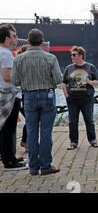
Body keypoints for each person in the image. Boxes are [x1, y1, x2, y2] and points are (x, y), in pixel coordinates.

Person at [12, 28, 63, 175]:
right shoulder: (51, 58)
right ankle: (46, 166)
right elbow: (59, 79)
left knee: (32, 131)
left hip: (29, 96)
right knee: (46, 132)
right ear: (42, 42)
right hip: (47, 95)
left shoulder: (19, 59)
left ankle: (33, 167)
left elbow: (15, 80)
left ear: (28, 41)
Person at [0, 23, 27, 171]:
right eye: (14, 36)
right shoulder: (5, 53)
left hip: (3, 95)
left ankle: (9, 158)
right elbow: (7, 76)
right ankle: (10, 162)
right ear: (6, 38)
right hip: (9, 96)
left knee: (5, 128)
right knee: (9, 129)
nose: (16, 38)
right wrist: (24, 78)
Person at [62, 46, 98, 150]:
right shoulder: (69, 68)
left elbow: (97, 82)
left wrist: (89, 82)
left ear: (81, 55)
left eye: (74, 55)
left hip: (87, 99)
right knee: (72, 121)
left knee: (89, 120)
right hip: (72, 100)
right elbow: (64, 83)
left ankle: (93, 140)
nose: (72, 57)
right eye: (71, 55)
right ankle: (73, 142)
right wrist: (66, 95)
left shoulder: (90, 67)